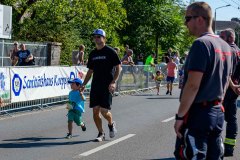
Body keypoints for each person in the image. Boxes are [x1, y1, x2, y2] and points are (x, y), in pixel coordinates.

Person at [174, 2, 233, 159]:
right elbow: (226, 81)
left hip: (199, 114)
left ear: (199, 19)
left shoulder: (201, 44)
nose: (185, 23)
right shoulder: (226, 46)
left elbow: (193, 85)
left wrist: (180, 117)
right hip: (217, 112)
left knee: (193, 154)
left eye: (187, 19)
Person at [81, 29, 121, 142]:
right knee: (95, 111)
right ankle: (101, 133)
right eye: (95, 37)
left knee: (104, 111)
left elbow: (118, 68)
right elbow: (90, 71)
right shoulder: (93, 53)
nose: (96, 38)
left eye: (99, 36)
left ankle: (111, 124)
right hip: (95, 86)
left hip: (107, 85)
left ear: (104, 38)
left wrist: (113, 82)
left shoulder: (110, 51)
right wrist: (84, 84)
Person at [220, 28, 240, 157]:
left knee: (217, 119)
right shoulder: (238, 50)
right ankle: (229, 149)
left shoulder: (228, 50)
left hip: (226, 90)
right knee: (232, 119)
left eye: (222, 36)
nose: (220, 39)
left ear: (230, 38)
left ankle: (217, 148)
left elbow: (226, 72)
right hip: (234, 91)